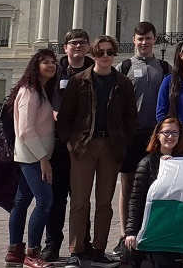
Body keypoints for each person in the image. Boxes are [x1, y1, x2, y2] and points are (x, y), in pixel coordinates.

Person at [56, 35, 138, 268]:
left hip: (111, 147)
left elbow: (130, 118)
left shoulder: (123, 83)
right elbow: (65, 117)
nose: (105, 56)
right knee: (80, 201)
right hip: (84, 146)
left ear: (115, 54)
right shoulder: (78, 81)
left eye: (109, 52)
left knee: (104, 202)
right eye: (100, 52)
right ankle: (76, 250)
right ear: (93, 54)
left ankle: (99, 249)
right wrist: (70, 143)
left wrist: (124, 141)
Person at [43, 29, 94, 263]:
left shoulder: (95, 69)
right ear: (65, 47)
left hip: (84, 143)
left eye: (82, 43)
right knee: (57, 196)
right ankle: (52, 244)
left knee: (81, 198)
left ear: (88, 46)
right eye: (73, 43)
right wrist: (52, 113)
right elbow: (42, 99)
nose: (78, 46)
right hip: (58, 142)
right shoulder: (55, 71)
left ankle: (83, 243)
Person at [117, 22, 167, 263]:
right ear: (134, 40)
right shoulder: (124, 67)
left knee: (156, 186)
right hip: (131, 134)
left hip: (155, 135)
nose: (144, 43)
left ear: (154, 39)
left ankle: (152, 234)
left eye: (148, 38)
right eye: (140, 39)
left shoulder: (164, 68)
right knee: (128, 186)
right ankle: (124, 236)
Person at [7, 49, 60, 268]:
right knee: (44, 201)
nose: (51, 65)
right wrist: (43, 159)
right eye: (45, 62)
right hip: (33, 156)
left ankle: (14, 251)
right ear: (35, 66)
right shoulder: (30, 92)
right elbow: (26, 130)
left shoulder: (41, 90)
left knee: (21, 202)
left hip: (32, 154)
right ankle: (32, 253)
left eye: (53, 62)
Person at [122, 118, 183, 268]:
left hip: (170, 227)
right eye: (166, 132)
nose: (170, 136)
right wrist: (131, 232)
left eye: (175, 133)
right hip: (148, 226)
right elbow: (136, 200)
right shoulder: (146, 163)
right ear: (158, 135)